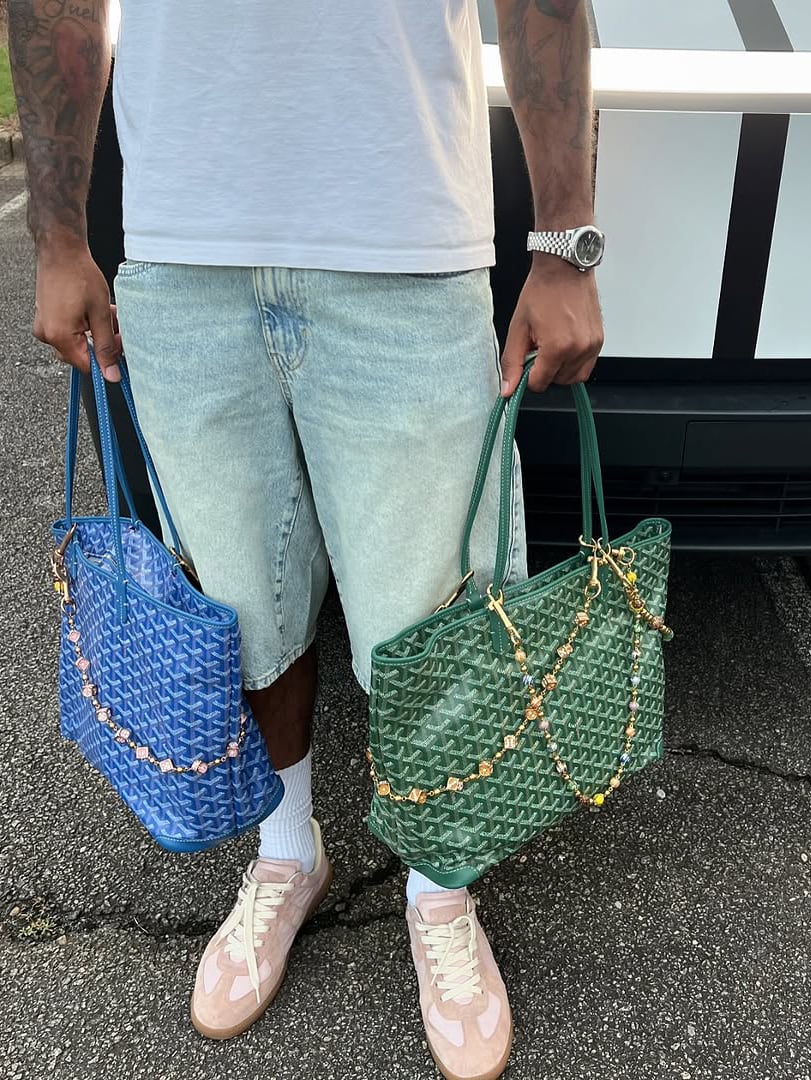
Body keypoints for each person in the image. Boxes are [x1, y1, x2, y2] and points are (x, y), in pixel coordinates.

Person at [11, 1, 604, 1076]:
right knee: (238, 603)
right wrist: (57, 236)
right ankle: (288, 851)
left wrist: (565, 243)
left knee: (436, 623)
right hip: (185, 245)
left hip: (406, 231)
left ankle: (439, 889)